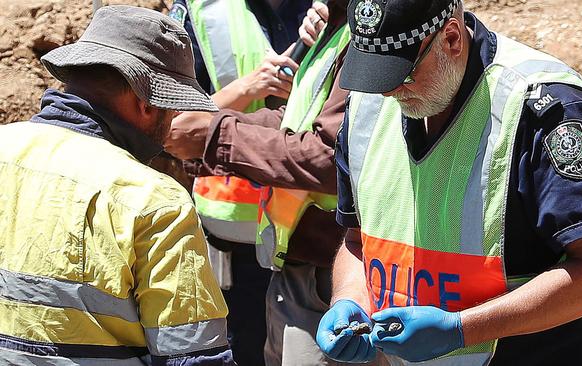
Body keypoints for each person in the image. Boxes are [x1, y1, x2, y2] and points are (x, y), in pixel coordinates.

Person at [317, 0, 582, 365]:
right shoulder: (368, 109)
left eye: (403, 74)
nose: (389, 93)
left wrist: (462, 329)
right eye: (377, 75)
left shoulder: (541, 110)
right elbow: (358, 240)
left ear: (452, 39)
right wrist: (348, 299)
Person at [0, 6, 234, 365]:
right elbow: (192, 356)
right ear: (144, 104)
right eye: (170, 108)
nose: (173, 122)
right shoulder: (153, 199)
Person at [166, 1, 389, 365]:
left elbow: (330, 155)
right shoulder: (331, 23)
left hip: (341, 262)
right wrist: (213, 129)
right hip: (282, 253)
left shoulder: (366, 27)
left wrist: (217, 135)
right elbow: (299, 120)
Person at [167, 1, 309, 363]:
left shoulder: (335, 9)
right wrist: (248, 87)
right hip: (234, 231)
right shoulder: (200, 11)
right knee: (242, 348)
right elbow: (170, 124)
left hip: (316, 229)